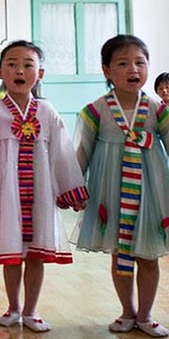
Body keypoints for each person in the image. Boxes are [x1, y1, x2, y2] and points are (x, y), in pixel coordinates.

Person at [0, 40, 88, 332]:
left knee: (36, 254)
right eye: (12, 64)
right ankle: (13, 307)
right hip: (6, 194)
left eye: (27, 64)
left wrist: (70, 189)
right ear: (0, 71)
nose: (19, 70)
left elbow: (62, 151)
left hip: (40, 194)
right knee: (12, 254)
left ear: (41, 73)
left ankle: (31, 310)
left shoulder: (47, 112)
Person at [72, 35, 169, 337]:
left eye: (140, 62)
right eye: (123, 63)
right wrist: (74, 187)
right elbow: (82, 151)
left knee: (149, 254)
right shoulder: (96, 110)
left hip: (152, 189)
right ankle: (127, 311)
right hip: (110, 188)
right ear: (106, 70)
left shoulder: (158, 109)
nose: (133, 69)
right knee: (120, 253)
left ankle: (146, 314)